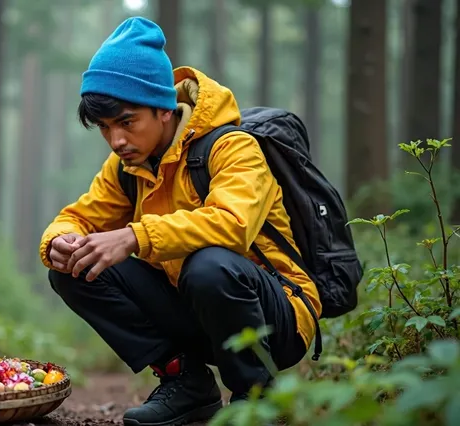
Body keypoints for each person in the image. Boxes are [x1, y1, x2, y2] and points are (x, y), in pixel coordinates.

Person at [38, 16, 321, 426]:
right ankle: (187, 383)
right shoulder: (125, 168)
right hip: (197, 310)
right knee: (75, 269)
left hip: (277, 317)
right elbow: (78, 217)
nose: (116, 140)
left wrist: (135, 237)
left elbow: (233, 226)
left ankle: (257, 399)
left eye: (127, 121)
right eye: (105, 127)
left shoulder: (232, 148)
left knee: (209, 265)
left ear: (164, 109)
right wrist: (61, 241)